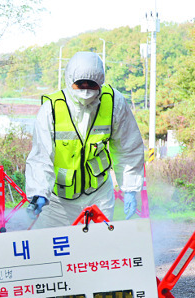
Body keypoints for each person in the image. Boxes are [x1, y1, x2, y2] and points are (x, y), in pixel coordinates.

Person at [25, 51, 144, 228]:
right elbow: (41, 155)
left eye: (92, 84)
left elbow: (128, 148)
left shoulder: (114, 103)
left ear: (101, 81)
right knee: (52, 251)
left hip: (98, 196)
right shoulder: (51, 108)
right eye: (80, 84)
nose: (86, 90)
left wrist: (130, 189)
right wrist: (39, 192)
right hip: (57, 201)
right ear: (69, 80)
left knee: (96, 251)